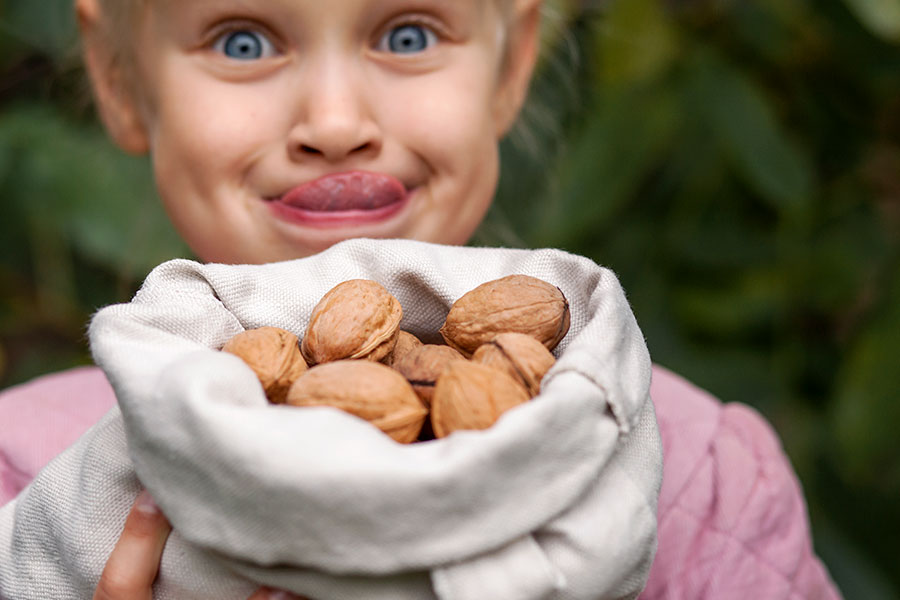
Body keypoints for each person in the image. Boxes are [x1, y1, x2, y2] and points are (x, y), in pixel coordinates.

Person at [0, 0, 841, 598]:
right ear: (119, 77)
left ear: (511, 64)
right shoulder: (23, 486)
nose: (334, 122)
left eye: (408, 33)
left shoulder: (705, 493)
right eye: (243, 41)